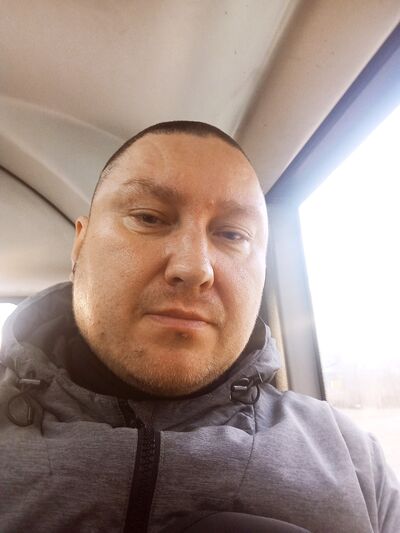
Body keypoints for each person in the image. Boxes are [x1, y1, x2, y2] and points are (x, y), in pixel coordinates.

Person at [0, 121, 399, 533]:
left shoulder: (355, 463)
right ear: (80, 244)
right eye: (149, 218)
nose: (194, 268)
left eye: (232, 234)